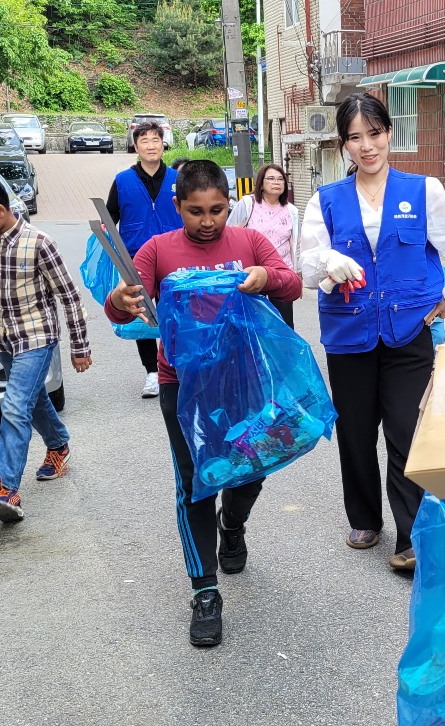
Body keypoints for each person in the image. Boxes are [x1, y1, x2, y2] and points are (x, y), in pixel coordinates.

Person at [105, 160, 303, 647]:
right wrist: (121, 298)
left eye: (217, 210)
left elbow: (293, 282)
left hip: (243, 378)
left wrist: (264, 276)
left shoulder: (246, 242)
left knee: (250, 468)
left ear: (228, 206)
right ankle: (205, 591)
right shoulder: (157, 249)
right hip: (182, 383)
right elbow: (120, 306)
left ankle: (232, 524)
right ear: (178, 207)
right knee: (195, 482)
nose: (208, 221)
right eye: (195, 212)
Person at [299, 92, 445, 570]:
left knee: (407, 430)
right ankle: (364, 518)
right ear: (343, 145)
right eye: (355, 138)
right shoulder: (326, 200)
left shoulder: (425, 191)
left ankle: (410, 536)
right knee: (356, 433)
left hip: (409, 333)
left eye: (375, 134)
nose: (367, 146)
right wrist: (328, 260)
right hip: (349, 336)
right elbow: (306, 267)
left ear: (389, 134)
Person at [0, 170, 92, 523]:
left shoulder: (39, 243)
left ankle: (6, 488)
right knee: (33, 401)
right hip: (1, 337)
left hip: (36, 337)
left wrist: (79, 346)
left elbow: (69, 297)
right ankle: (59, 443)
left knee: (15, 406)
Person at [105, 120, 183, 399]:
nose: (151, 145)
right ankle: (152, 372)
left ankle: (177, 364)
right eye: (144, 141)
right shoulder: (123, 180)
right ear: (136, 147)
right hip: (137, 255)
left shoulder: (177, 178)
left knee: (176, 309)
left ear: (163, 144)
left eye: (155, 140)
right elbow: (110, 217)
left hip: (174, 252)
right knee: (142, 313)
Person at [227, 163, 301, 327]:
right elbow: (230, 233)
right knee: (253, 325)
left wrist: (296, 275)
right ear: (260, 183)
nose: (277, 182)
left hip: (281, 272)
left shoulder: (292, 211)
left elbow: (295, 244)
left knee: (284, 325)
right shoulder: (248, 203)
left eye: (281, 179)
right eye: (271, 178)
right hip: (251, 273)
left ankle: (282, 353)